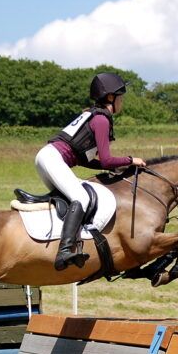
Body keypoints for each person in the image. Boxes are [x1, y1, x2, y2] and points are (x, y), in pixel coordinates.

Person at [36, 72, 147, 270]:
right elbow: (105, 159)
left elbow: (88, 160)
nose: (122, 101)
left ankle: (67, 241)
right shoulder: (102, 120)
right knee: (82, 198)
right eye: (120, 96)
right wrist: (131, 160)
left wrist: (120, 164)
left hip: (48, 158)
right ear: (110, 98)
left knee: (73, 199)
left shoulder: (93, 116)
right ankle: (64, 251)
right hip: (53, 159)